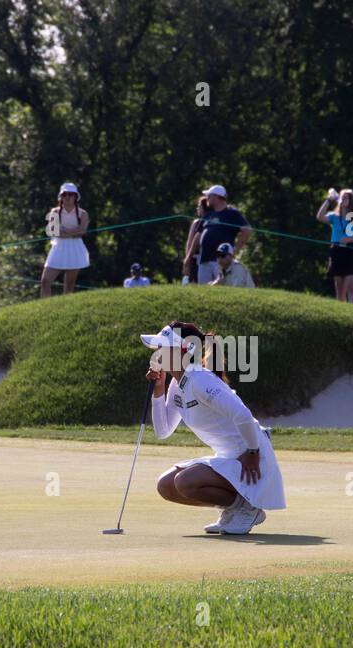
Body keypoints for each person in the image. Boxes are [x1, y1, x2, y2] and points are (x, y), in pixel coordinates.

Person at [143, 321, 285, 535]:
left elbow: (243, 415)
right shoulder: (176, 385)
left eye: (162, 347)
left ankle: (247, 509)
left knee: (184, 482)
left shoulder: (200, 380)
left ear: (182, 350)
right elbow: (163, 431)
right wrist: (159, 390)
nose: (157, 352)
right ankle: (233, 509)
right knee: (166, 486)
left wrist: (253, 452)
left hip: (251, 460)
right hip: (230, 460)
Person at [184, 185, 251, 285]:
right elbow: (198, 236)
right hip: (203, 261)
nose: (207, 198)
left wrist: (234, 250)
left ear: (216, 196)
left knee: (221, 289)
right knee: (203, 293)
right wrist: (188, 257)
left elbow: (247, 231)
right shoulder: (208, 214)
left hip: (220, 261)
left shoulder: (232, 213)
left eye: (209, 196)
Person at [316, 188, 353, 303]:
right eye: (342, 197)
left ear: (351, 201)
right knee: (339, 288)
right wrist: (328, 200)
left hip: (351, 252)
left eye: (347, 198)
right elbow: (320, 217)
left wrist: (351, 238)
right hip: (336, 252)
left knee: (351, 287)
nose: (344, 199)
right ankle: (343, 311)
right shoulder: (334, 217)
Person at [41, 182, 90, 297]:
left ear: (75, 197)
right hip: (58, 247)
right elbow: (52, 231)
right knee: (45, 281)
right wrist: (73, 232)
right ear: (61, 197)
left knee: (69, 286)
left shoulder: (83, 214)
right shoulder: (55, 212)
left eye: (70, 194)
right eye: (64, 195)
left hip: (75, 248)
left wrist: (63, 231)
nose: (67, 197)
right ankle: (45, 309)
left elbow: (82, 231)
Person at [182, 195, 208, 284]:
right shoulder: (196, 222)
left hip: (204, 258)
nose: (197, 208)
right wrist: (187, 258)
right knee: (193, 281)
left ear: (204, 208)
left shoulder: (208, 221)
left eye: (199, 206)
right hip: (194, 258)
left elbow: (189, 242)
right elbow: (189, 242)